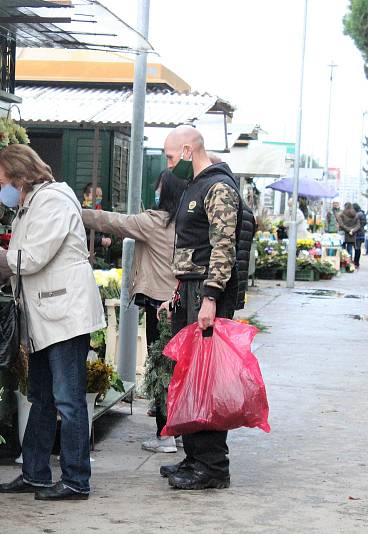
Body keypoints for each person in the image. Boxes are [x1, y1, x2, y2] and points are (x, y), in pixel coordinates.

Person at [0, 144, 105, 500]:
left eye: (3, 181)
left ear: (21, 177)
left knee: (68, 400)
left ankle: (75, 480)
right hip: (45, 315)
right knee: (39, 397)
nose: (0, 190)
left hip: (65, 315)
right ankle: (36, 473)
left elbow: (33, 257)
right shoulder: (30, 204)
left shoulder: (53, 200)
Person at [158, 125, 243, 491]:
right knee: (190, 375)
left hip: (207, 296)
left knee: (206, 379)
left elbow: (223, 247)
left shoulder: (218, 187)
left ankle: (212, 467)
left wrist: (210, 297)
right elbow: (191, 247)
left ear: (189, 150)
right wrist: (176, 292)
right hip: (190, 291)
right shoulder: (196, 185)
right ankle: (194, 457)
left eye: (171, 156)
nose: (168, 163)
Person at [82, 170, 186, 453]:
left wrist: (75, 211)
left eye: (159, 188)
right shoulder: (186, 222)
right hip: (180, 302)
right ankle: (176, 432)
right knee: (177, 371)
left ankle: (165, 437)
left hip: (158, 304)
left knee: (162, 371)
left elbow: (113, 222)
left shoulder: (154, 221)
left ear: (164, 193)